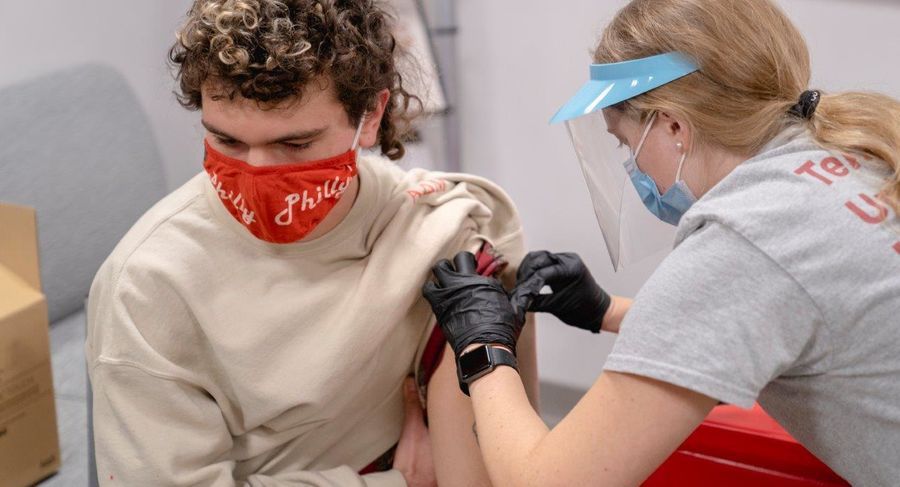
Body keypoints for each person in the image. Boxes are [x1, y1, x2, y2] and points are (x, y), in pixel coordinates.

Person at [419, 0, 900, 485]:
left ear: (673, 125)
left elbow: (548, 481)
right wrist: (606, 311)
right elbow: (773, 312)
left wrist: (483, 348)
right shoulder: (851, 152)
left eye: (626, 144)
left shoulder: (747, 238)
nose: (632, 168)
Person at [86, 1, 538, 485]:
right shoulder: (148, 286)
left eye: (294, 145)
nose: (257, 174)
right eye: (227, 143)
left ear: (370, 117)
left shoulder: (433, 228)